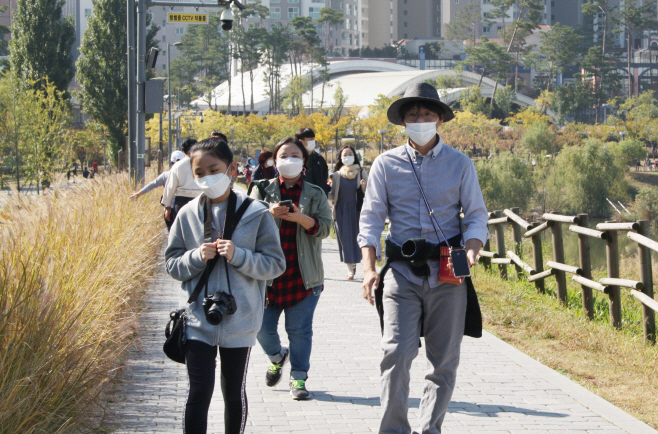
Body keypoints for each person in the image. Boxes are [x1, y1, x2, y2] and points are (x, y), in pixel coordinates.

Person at [358, 82, 489, 434]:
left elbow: (476, 214)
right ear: (403, 121)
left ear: (439, 120)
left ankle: (430, 428)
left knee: (444, 361)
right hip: (401, 273)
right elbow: (370, 219)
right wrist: (369, 269)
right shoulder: (385, 165)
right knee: (396, 354)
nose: (420, 119)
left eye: (427, 114)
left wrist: (473, 248)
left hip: (449, 272)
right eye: (413, 114)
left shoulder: (460, 164)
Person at [166, 138, 286, 434]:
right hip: (197, 320)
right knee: (198, 394)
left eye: (214, 169)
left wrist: (238, 255)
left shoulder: (256, 213)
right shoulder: (187, 214)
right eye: (199, 172)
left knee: (233, 394)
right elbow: (171, 263)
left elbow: (275, 264)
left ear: (231, 169)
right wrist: (196, 257)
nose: (207, 177)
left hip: (241, 319)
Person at [249, 137, 332, 400]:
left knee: (300, 331)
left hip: (302, 276)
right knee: (261, 328)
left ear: (304, 161)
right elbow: (247, 222)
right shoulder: (261, 189)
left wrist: (299, 217)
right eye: (283, 155)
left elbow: (325, 229)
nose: (289, 160)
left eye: (295, 155)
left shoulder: (315, 193)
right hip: (267, 276)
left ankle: (298, 379)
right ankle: (277, 356)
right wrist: (268, 213)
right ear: (275, 160)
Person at [329, 145, 368, 280]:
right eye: (344, 154)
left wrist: (363, 187)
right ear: (340, 157)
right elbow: (333, 195)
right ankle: (349, 269)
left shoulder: (361, 173)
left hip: (357, 210)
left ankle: (356, 261)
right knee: (345, 239)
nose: (347, 156)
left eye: (350, 153)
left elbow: (370, 193)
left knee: (358, 238)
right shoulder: (336, 175)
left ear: (354, 156)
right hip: (341, 211)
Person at [162, 138, 201, 226]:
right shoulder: (203, 164)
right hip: (199, 201)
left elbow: (170, 187)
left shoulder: (177, 165)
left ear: (183, 150)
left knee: (182, 230)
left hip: (181, 202)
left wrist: (167, 207)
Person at [295, 128, 330, 195]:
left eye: (313, 139)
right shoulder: (296, 160)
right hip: (300, 198)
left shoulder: (319, 159)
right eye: (310, 139)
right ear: (301, 141)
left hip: (318, 198)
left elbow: (324, 178)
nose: (313, 141)